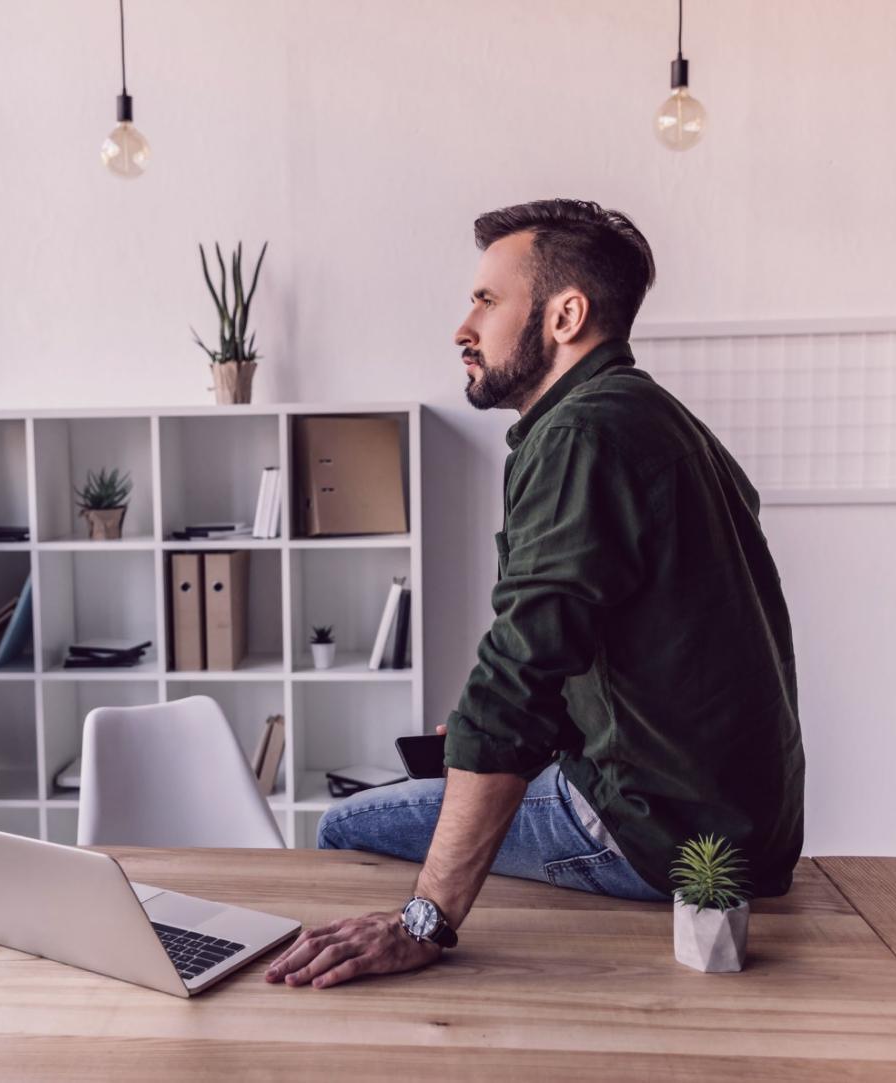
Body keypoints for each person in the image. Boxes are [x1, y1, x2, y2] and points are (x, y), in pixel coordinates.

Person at [266, 198, 804, 991]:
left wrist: (425, 919)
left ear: (565, 315)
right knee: (457, 767)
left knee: (347, 822)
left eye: (486, 300)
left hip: (650, 832)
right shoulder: (660, 420)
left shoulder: (579, 435)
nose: (463, 328)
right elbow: (621, 645)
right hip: (740, 831)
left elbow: (517, 675)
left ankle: (397, 994)